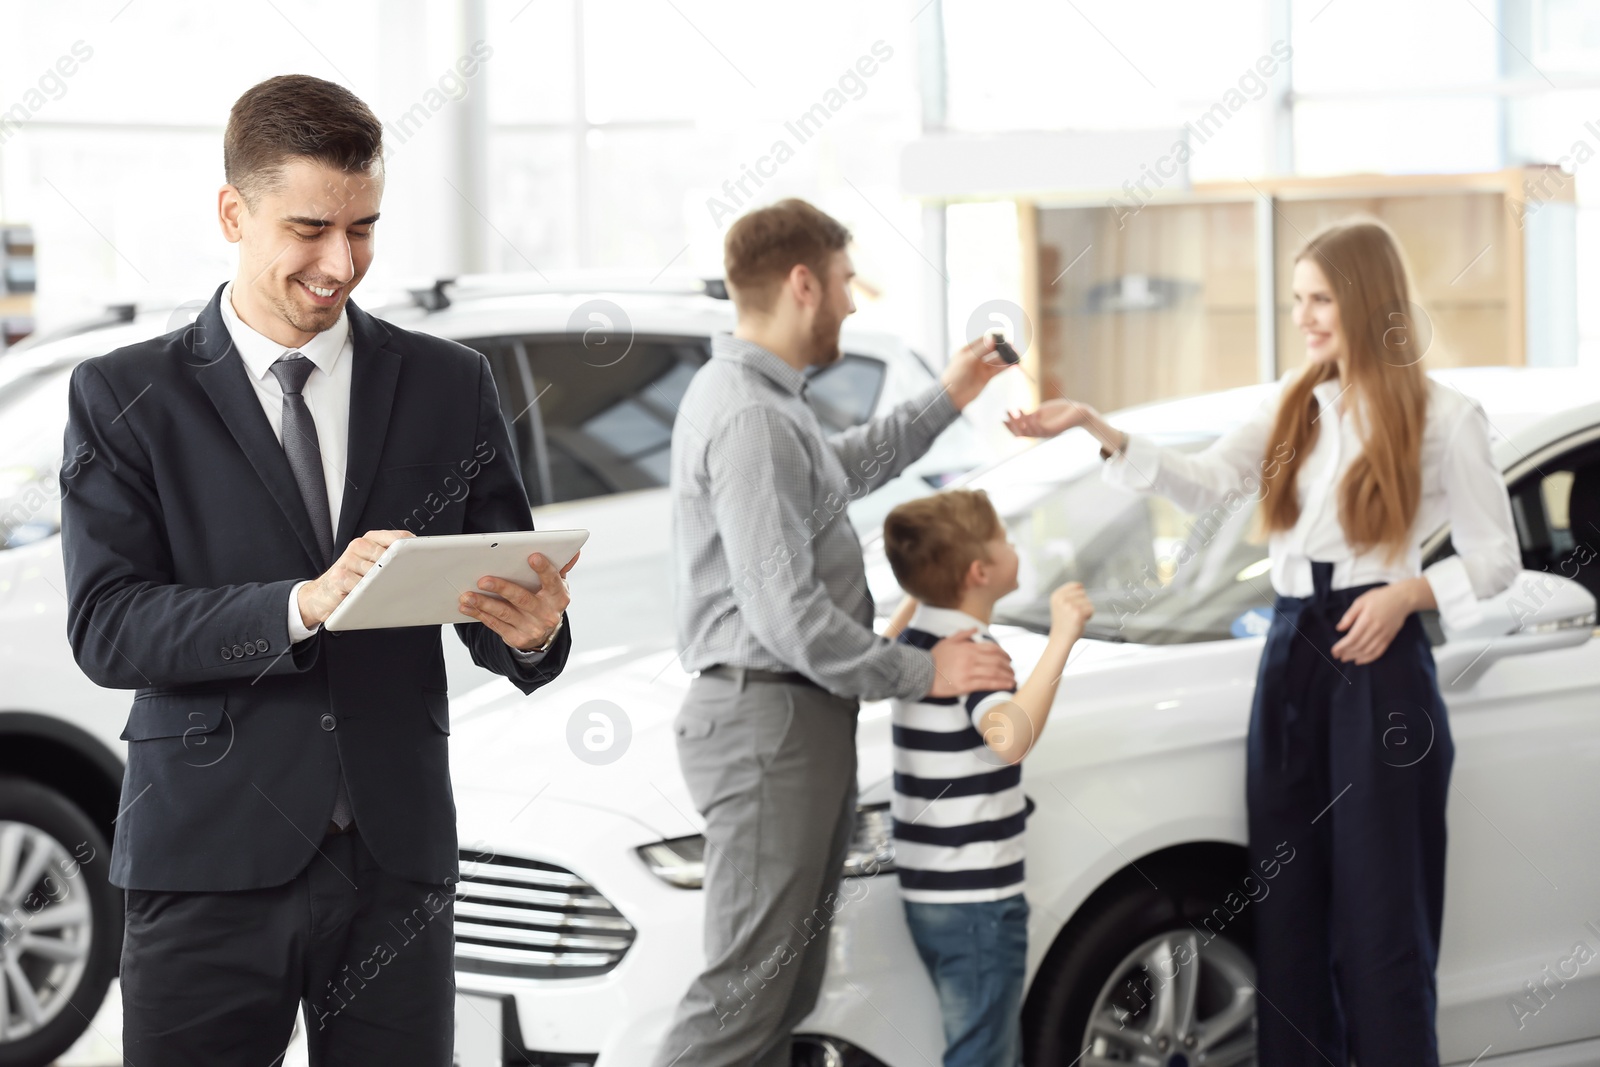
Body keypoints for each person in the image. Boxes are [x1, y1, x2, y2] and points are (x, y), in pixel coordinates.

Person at [59, 74, 576, 1064]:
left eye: (366, 227)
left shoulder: (448, 383)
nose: (341, 263)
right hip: (207, 857)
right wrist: (300, 604)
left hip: (394, 862)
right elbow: (108, 624)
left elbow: (497, 598)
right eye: (310, 227)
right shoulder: (125, 393)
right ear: (232, 212)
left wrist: (531, 630)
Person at [1004, 218, 1519, 1065]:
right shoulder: (1294, 399)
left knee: (1383, 912)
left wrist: (1411, 594)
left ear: (1366, 299)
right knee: (1288, 907)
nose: (1306, 317)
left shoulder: (1446, 416)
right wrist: (1099, 426)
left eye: (1320, 299)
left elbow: (1495, 557)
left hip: (1377, 657)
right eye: (1297, 299)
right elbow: (1206, 479)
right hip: (1289, 655)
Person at [658, 198, 1017, 1067]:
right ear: (803, 283)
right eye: (849, 283)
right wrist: (919, 671)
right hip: (767, 725)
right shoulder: (749, 415)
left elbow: (848, 467)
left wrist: (952, 394)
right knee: (742, 999)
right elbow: (786, 616)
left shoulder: (768, 406)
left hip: (788, 723)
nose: (855, 304)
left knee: (781, 993)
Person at [880, 489, 1093, 1067]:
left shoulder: (915, 639)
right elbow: (1009, 738)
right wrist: (1062, 637)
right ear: (981, 571)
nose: (1012, 545)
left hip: (929, 890)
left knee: (977, 1040)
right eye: (1004, 538)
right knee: (984, 1052)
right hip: (978, 901)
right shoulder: (972, 654)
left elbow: (894, 627)